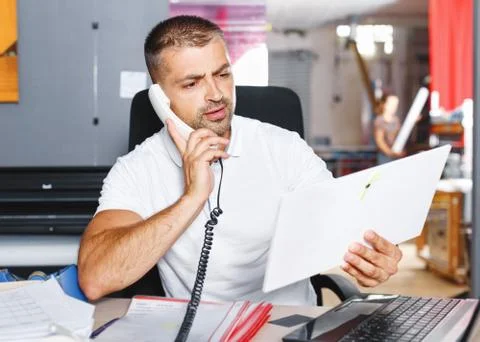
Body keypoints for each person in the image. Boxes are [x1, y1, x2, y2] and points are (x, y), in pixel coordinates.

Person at [77, 15, 403, 305]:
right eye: (192, 83)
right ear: (160, 98)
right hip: (201, 331)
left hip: (286, 325)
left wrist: (373, 257)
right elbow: (95, 280)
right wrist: (192, 198)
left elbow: (344, 226)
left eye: (222, 74)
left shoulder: (285, 148)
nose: (216, 93)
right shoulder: (137, 168)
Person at [374, 93, 406, 164]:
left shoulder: (396, 120)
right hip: (385, 156)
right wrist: (390, 153)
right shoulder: (380, 120)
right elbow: (380, 141)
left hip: (396, 153)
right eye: (391, 104)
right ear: (384, 104)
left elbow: (400, 135)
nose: (394, 107)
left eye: (395, 105)